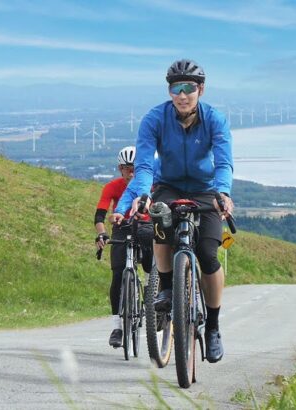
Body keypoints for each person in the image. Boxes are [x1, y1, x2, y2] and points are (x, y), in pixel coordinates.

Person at [112, 59, 234, 363]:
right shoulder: (154, 118)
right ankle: (166, 286)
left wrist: (223, 192)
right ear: (169, 91)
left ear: (200, 90)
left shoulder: (215, 120)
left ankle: (214, 328)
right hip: (168, 185)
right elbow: (142, 164)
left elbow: (223, 161)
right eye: (175, 88)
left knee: (208, 256)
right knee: (161, 229)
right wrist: (142, 193)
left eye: (188, 88)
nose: (182, 95)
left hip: (206, 189)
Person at [94, 146, 154, 348]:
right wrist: (102, 233)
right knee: (118, 275)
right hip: (121, 226)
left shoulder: (148, 184)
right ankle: (117, 326)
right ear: (120, 168)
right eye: (128, 168)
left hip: (146, 225)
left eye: (136, 168)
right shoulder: (112, 187)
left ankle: (150, 288)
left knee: (150, 265)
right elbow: (99, 215)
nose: (132, 172)